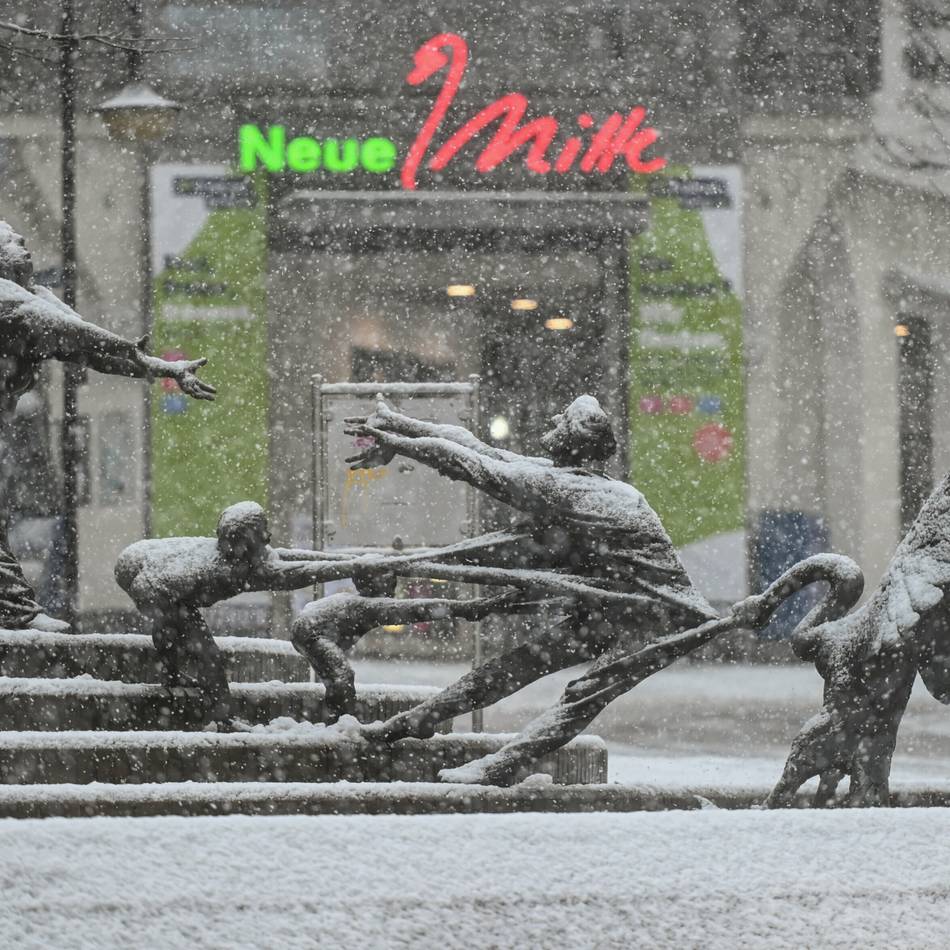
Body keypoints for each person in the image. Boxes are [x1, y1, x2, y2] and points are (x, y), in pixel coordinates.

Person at [328, 394, 717, 751]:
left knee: (581, 694)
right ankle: (410, 724)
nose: (550, 417)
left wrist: (400, 443)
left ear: (572, 438)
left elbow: (470, 464)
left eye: (560, 420)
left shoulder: (567, 488)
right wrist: (399, 423)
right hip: (617, 609)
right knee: (512, 668)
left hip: (660, 617)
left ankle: (493, 769)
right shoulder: (569, 478)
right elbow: (478, 448)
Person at [0, 220, 215, 632]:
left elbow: (92, 348)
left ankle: (14, 611)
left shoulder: (36, 297)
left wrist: (159, 368)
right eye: (9, 242)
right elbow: (78, 337)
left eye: (21, 238)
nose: (23, 244)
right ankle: (16, 612)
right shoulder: (8, 299)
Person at [115, 501, 438, 724]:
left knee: (176, 629)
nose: (268, 537)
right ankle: (223, 718)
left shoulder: (239, 556)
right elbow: (293, 574)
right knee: (207, 654)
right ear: (245, 541)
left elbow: (285, 557)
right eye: (263, 531)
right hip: (150, 584)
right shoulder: (232, 570)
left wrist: (351, 562)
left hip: (146, 559)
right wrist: (353, 565)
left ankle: (173, 673)